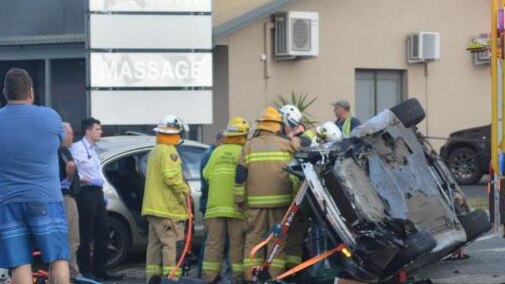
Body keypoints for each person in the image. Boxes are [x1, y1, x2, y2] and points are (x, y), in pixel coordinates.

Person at [0, 68, 69, 283]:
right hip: (46, 198)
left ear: (5, 92)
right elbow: (63, 142)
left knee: (19, 261)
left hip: (8, 201)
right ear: (31, 92)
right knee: (57, 257)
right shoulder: (50, 117)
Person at [236, 107, 300, 279]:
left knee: (253, 241)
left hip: (255, 205)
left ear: (261, 125)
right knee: (277, 242)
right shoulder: (287, 144)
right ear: (277, 126)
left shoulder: (248, 146)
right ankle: (274, 278)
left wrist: (239, 199)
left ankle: (252, 278)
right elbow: (304, 145)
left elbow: (240, 175)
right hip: (281, 204)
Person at [70, 117, 123, 281]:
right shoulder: (77, 148)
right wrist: (87, 179)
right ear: (88, 131)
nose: (101, 132)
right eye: (98, 129)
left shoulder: (95, 149)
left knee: (103, 233)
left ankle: (101, 270)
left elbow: (98, 171)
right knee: (86, 233)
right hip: (85, 193)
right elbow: (73, 171)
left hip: (97, 193)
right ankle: (85, 271)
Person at [142, 115, 190, 282]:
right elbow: (171, 178)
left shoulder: (156, 150)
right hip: (167, 209)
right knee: (171, 245)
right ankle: (171, 279)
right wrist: (185, 191)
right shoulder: (169, 151)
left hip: (154, 208)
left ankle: (152, 279)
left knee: (154, 246)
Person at [201, 118, 250, 283]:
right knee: (237, 245)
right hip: (237, 208)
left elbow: (206, 175)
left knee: (214, 244)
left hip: (215, 208)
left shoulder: (217, 151)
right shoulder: (244, 153)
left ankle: (210, 278)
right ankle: (237, 278)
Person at [197, 131, 224, 278]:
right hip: (209, 202)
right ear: (219, 141)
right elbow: (208, 180)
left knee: (211, 241)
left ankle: (207, 273)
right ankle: (204, 273)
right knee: (209, 241)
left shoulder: (211, 153)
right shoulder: (211, 154)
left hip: (208, 202)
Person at [59, 123, 81, 279]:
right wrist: (69, 176)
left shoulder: (61, 151)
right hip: (65, 198)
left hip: (62, 198)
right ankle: (72, 275)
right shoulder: (61, 151)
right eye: (70, 133)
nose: (72, 136)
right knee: (72, 239)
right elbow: (68, 174)